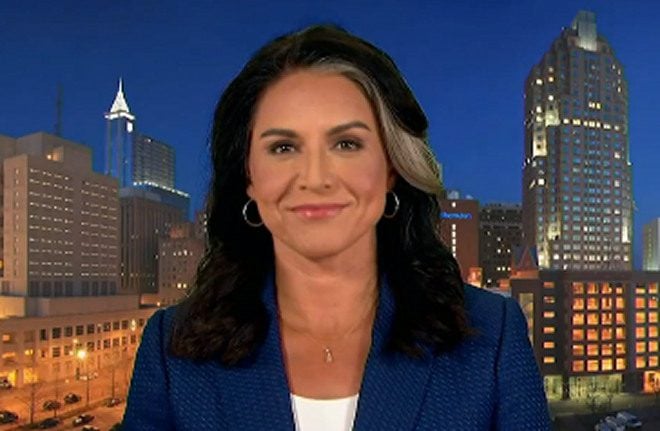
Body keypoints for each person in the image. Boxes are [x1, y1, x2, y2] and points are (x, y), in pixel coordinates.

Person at [122, 25, 550, 430]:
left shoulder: (492, 335)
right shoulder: (172, 350)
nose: (315, 178)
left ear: (391, 168)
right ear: (248, 176)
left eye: (346, 144)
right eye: (283, 147)